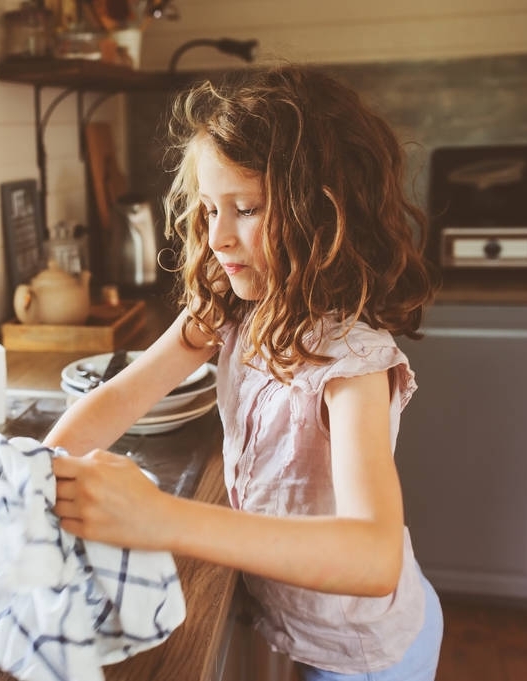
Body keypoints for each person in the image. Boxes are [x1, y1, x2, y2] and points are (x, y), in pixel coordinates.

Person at [43, 64, 443, 680]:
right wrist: (35, 480)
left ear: (324, 213)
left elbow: (374, 555)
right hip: (292, 629)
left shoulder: (352, 362)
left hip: (366, 657)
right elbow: (120, 397)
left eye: (248, 209)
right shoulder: (231, 311)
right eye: (208, 209)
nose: (219, 236)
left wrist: (160, 517)